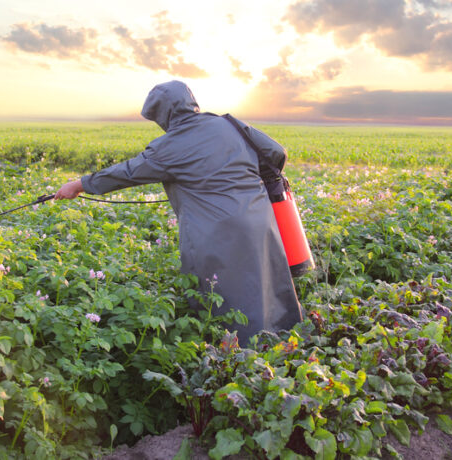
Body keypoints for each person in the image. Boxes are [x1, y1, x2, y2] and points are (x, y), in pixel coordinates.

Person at [55, 80, 302, 342]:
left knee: (225, 293)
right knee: (266, 280)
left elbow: (126, 172)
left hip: (215, 231)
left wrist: (80, 185)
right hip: (259, 217)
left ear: (163, 113)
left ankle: (238, 353)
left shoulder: (168, 146)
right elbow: (275, 152)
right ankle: (286, 337)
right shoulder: (229, 123)